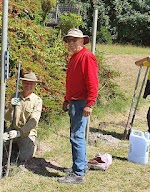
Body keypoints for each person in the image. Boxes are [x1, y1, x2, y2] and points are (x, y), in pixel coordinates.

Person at [58, 28, 99, 184]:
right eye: (69, 40)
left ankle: (78, 174)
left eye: (74, 40)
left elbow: (92, 82)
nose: (71, 43)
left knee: (76, 136)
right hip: (75, 101)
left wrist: (90, 103)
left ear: (82, 40)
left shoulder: (87, 57)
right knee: (77, 135)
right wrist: (67, 99)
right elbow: (71, 81)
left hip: (82, 102)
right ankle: (80, 166)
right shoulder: (75, 57)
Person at [0, 72, 42, 163]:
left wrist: (19, 133)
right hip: (12, 130)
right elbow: (7, 118)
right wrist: (10, 108)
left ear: (35, 85)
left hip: (27, 134)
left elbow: (33, 122)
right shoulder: (15, 96)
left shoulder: (37, 101)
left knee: (25, 158)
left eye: (31, 83)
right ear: (22, 83)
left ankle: (32, 145)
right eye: (26, 82)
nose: (28, 85)